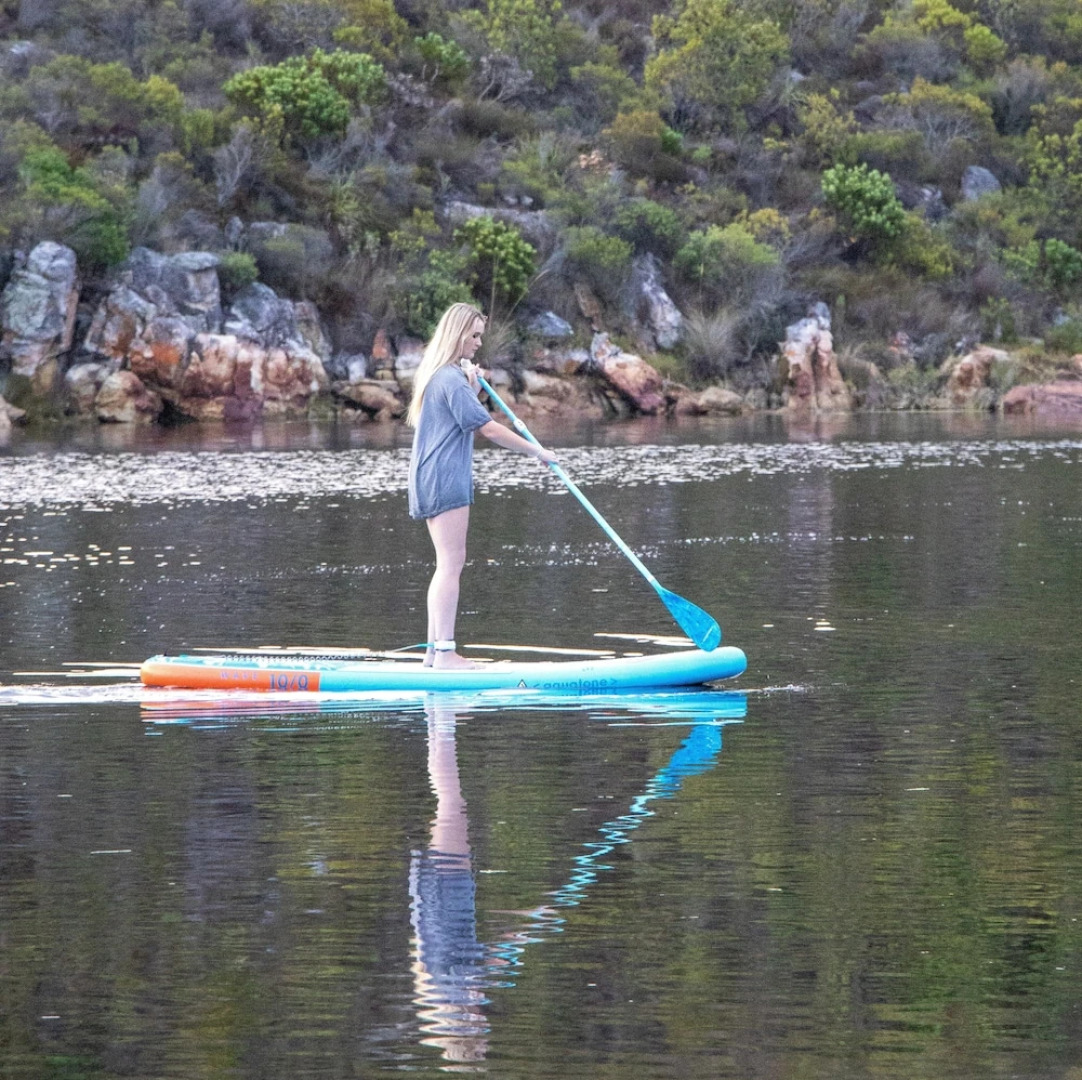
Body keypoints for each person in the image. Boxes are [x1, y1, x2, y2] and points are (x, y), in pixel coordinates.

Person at [407, 303, 558, 669]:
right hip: (444, 478)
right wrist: (537, 451)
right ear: (457, 335)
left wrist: (472, 387)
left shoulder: (445, 378)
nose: (478, 343)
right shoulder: (448, 378)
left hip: (431, 477)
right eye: (473, 335)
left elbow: (460, 418)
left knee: (446, 563)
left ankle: (433, 654)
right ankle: (445, 654)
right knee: (451, 563)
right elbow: (487, 428)